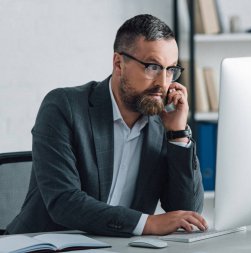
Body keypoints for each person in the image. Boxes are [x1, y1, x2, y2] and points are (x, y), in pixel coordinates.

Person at [5, 14, 207, 237]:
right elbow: (64, 202)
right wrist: (147, 223)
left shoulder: (162, 125)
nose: (164, 83)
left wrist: (178, 134)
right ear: (119, 63)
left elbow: (187, 211)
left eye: (171, 70)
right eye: (152, 67)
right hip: (43, 244)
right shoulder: (64, 107)